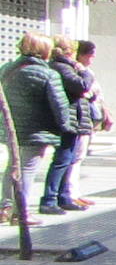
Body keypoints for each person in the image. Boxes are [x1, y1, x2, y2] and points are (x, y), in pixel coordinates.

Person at [0, 33, 72, 226]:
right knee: (27, 169)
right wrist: (65, 127)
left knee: (12, 167)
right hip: (36, 131)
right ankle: (21, 212)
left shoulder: (6, 69)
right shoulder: (48, 74)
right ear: (44, 50)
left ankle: (5, 207)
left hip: (10, 128)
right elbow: (60, 106)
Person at [40, 35, 93, 214]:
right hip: (68, 119)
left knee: (68, 159)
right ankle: (49, 199)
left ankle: (63, 197)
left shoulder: (62, 66)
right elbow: (82, 85)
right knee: (62, 159)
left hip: (72, 118)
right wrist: (84, 71)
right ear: (69, 51)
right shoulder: (62, 67)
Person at [68, 39, 109, 206]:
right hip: (80, 119)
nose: (93, 57)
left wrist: (106, 113)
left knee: (79, 157)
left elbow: (98, 95)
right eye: (91, 54)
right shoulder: (77, 72)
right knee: (75, 157)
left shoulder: (87, 71)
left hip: (88, 119)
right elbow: (88, 92)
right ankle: (70, 193)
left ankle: (74, 192)